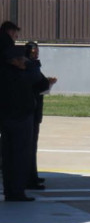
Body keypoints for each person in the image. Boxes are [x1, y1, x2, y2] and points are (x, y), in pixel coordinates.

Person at [0, 46, 49, 202]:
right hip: (21, 118)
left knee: (8, 157)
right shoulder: (24, 74)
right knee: (21, 156)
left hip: (6, 118)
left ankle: (10, 190)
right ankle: (17, 191)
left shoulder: (4, 73)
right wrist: (31, 64)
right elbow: (42, 83)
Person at [24, 42, 57, 190]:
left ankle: (32, 175)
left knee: (32, 147)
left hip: (33, 110)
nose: (36, 55)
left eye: (37, 52)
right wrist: (46, 83)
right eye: (34, 52)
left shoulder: (33, 66)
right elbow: (39, 85)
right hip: (30, 110)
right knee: (29, 147)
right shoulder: (30, 67)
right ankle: (29, 178)